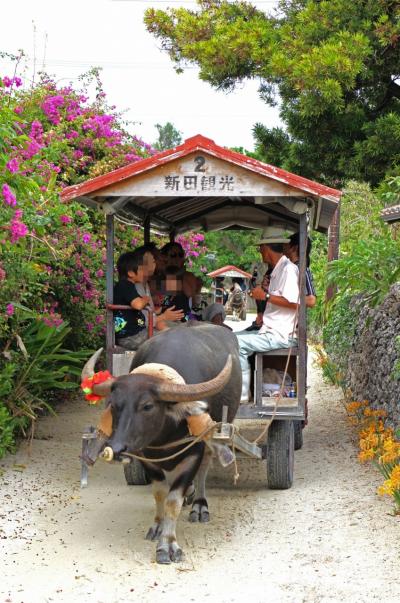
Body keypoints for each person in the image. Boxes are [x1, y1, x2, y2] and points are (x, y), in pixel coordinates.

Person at [235, 227, 299, 402]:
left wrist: (266, 295)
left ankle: (242, 395)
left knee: (237, 344)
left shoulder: (288, 270)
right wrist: (263, 293)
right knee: (229, 336)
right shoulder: (277, 270)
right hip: (270, 330)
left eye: (260, 248)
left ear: (266, 248)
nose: (260, 252)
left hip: (281, 335)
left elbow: (295, 303)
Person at [113, 249, 152, 350]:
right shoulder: (125, 286)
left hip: (136, 334)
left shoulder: (128, 285)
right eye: (141, 270)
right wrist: (145, 299)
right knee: (164, 340)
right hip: (131, 337)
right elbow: (137, 304)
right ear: (130, 272)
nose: (143, 272)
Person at [284, 232, 317, 308]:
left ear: (294, 248)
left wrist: (281, 299)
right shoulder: (288, 267)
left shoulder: (301, 269)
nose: (283, 246)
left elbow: (311, 300)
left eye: (287, 244)